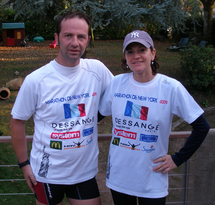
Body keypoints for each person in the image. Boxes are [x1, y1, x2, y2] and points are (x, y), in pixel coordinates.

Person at [10, 10, 113, 205]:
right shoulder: (36, 80)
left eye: (81, 36)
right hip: (46, 174)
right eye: (68, 35)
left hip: (84, 173)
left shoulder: (97, 70)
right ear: (57, 38)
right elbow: (17, 121)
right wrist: (24, 165)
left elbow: (118, 97)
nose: (75, 42)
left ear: (87, 40)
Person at [99, 30, 210, 205]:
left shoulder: (171, 87)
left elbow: (202, 127)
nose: (136, 56)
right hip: (120, 178)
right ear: (125, 57)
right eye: (130, 52)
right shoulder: (117, 83)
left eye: (141, 50)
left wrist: (178, 158)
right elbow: (98, 115)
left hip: (152, 179)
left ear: (153, 53)